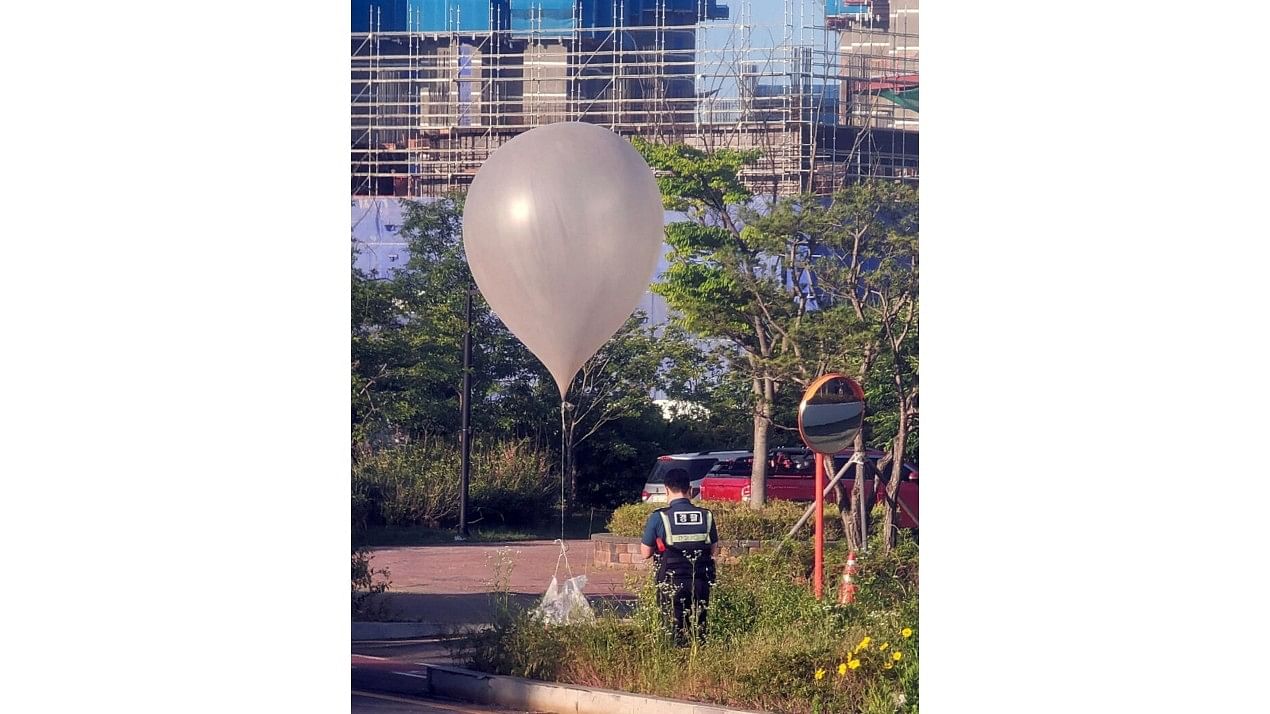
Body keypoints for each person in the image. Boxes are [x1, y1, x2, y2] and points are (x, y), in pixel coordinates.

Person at [640, 467, 719, 646]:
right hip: (701, 580)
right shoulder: (706, 515)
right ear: (690, 489)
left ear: (666, 489)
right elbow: (713, 550)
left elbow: (645, 553)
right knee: (700, 628)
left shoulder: (659, 517)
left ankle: (677, 660)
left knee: (673, 628)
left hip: (671, 582)